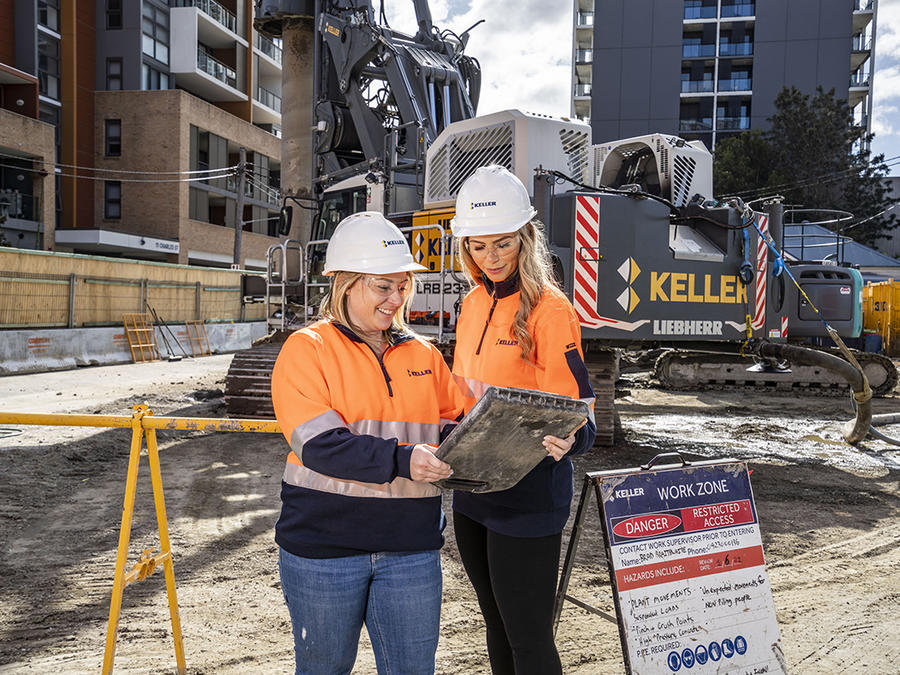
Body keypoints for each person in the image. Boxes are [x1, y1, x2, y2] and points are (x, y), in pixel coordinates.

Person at [270, 211, 463, 675]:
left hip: (411, 548)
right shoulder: (307, 348)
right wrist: (404, 460)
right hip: (324, 548)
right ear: (346, 283)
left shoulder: (424, 354)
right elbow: (319, 446)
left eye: (402, 286)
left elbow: (453, 431)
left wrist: (509, 438)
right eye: (383, 286)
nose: (396, 299)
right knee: (324, 669)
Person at [449, 165, 597, 674]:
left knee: (529, 639)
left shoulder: (550, 310)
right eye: (477, 246)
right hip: (471, 492)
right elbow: (461, 396)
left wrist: (572, 439)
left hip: (528, 494)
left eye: (502, 244)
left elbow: (579, 408)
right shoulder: (470, 304)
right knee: (496, 626)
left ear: (525, 238)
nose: (489, 258)